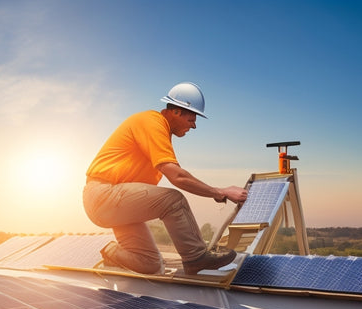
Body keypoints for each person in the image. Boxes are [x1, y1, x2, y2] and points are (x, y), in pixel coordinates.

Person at [83, 82, 248, 275]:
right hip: (104, 195)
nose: (194, 125)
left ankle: (112, 253)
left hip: (116, 204)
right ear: (177, 111)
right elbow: (177, 176)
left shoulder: (159, 132)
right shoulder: (152, 121)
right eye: (192, 117)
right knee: (173, 200)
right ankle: (196, 258)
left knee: (150, 264)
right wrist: (220, 191)